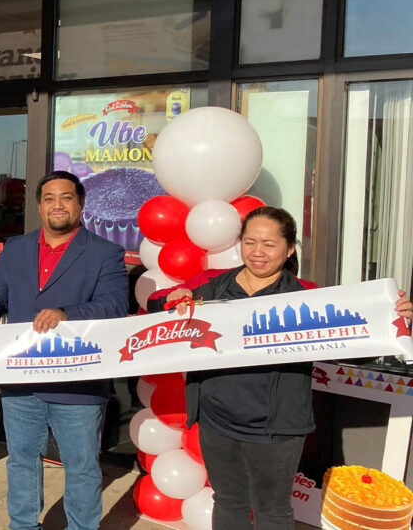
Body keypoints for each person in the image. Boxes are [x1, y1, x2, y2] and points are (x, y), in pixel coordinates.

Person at [151, 206, 413, 529]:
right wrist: (172, 298)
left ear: (289, 249)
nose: (257, 252)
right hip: (216, 421)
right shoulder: (212, 288)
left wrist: (391, 320)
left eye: (269, 244)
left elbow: (352, 344)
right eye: (249, 242)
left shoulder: (307, 297)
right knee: (228, 500)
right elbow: (158, 311)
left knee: (271, 510)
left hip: (276, 428)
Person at [0, 170, 129, 530]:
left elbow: (114, 307)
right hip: (20, 378)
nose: (57, 204)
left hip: (77, 382)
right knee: (22, 461)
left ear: (81, 204)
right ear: (40, 207)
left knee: (82, 466)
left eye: (66, 197)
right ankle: (24, 526)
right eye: (49, 198)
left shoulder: (105, 253)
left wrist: (66, 315)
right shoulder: (16, 248)